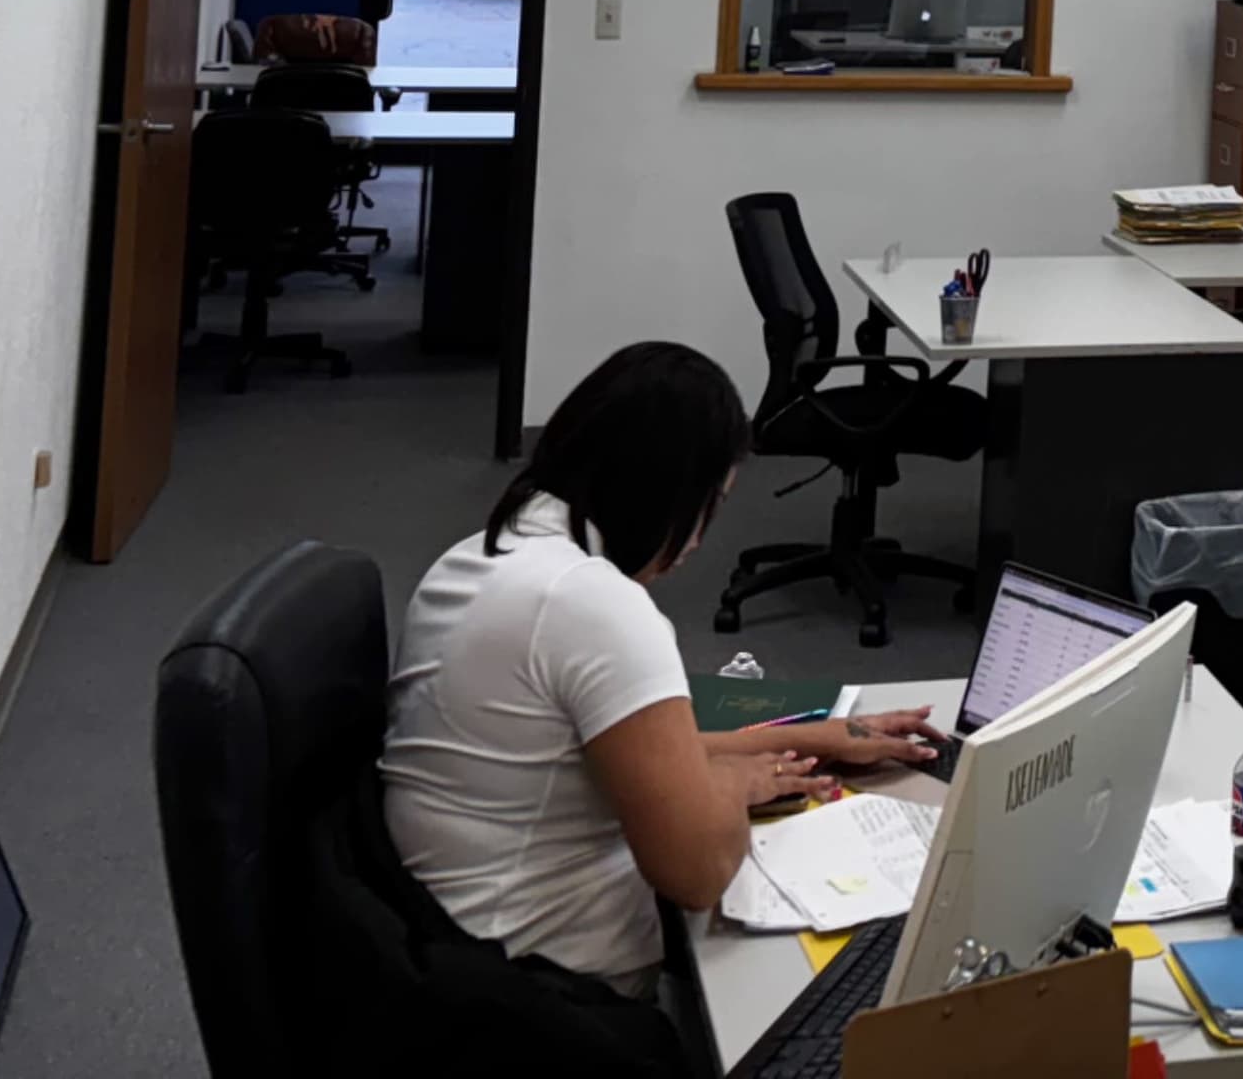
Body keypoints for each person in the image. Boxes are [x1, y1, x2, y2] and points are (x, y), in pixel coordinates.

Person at [382, 339, 940, 989]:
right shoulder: (594, 605)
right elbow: (698, 873)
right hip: (541, 1004)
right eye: (713, 504)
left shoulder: (482, 555)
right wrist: (735, 786)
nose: (700, 540)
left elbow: (620, 751)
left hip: (447, 961)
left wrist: (814, 735)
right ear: (669, 491)